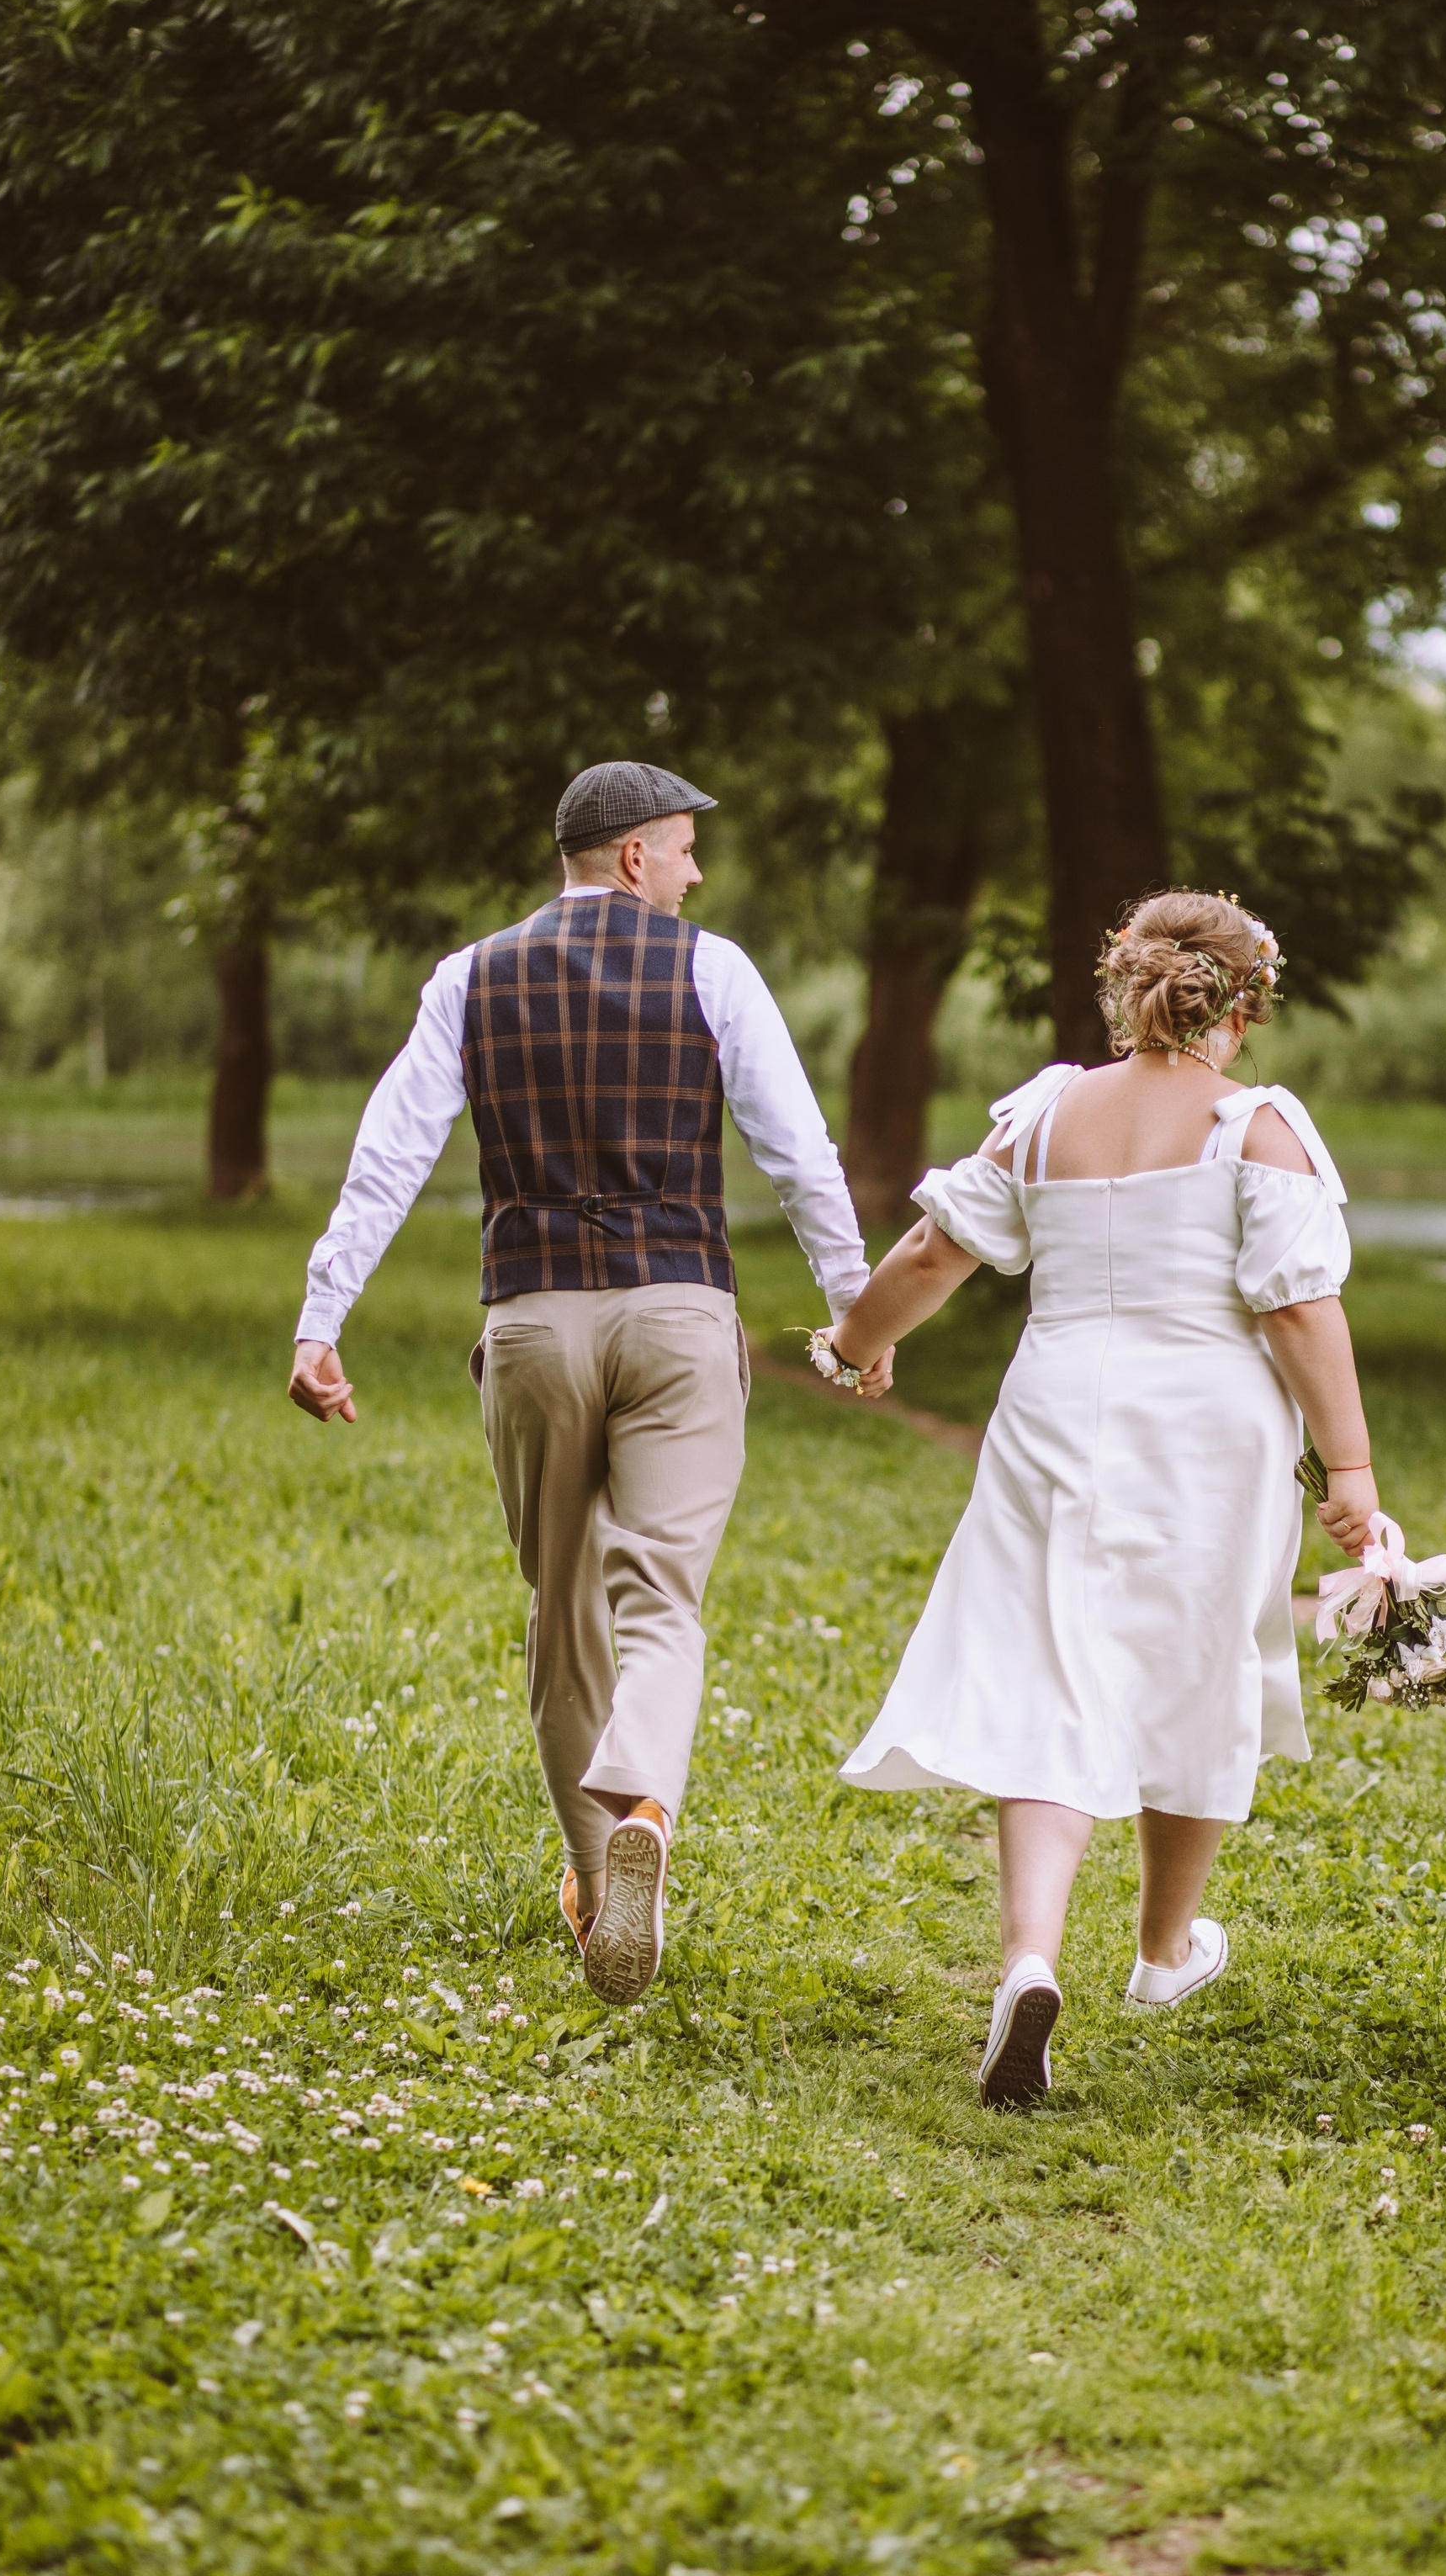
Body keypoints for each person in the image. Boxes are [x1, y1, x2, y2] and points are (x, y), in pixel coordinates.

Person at [288, 757, 887, 2005]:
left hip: (533, 1322)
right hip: (677, 1316)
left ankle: (586, 1868)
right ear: (632, 858)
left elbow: (390, 1148)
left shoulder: (470, 978)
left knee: (564, 1608)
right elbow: (797, 1149)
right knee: (661, 1595)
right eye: (682, 848)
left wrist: (320, 1315)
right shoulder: (710, 969)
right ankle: (645, 1819)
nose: (695, 871)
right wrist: (856, 1308)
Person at [820, 889, 1384, 2107]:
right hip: (1208, 1429)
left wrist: (855, 1339)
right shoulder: (1259, 1127)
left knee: (1050, 1673)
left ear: (1127, 988)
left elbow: (934, 1253)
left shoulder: (1049, 1109)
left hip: (1056, 1413)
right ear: (1243, 1007)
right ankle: (1163, 1949)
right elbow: (1298, 1307)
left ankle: (1029, 1958)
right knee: (1195, 1660)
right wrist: (1352, 1473)